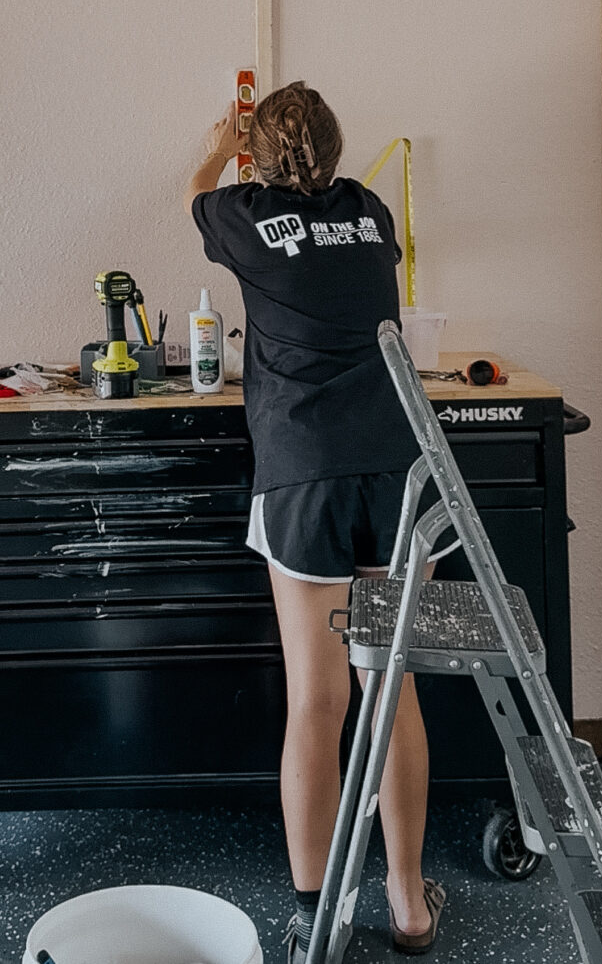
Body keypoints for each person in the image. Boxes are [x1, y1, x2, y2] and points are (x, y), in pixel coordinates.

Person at [184, 82, 446, 961]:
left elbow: (191, 193)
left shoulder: (247, 216)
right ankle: (409, 905)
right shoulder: (371, 212)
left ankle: (314, 912)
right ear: (337, 149)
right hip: (397, 471)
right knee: (391, 691)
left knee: (316, 701)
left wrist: (225, 144)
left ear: (261, 156)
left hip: (305, 476)